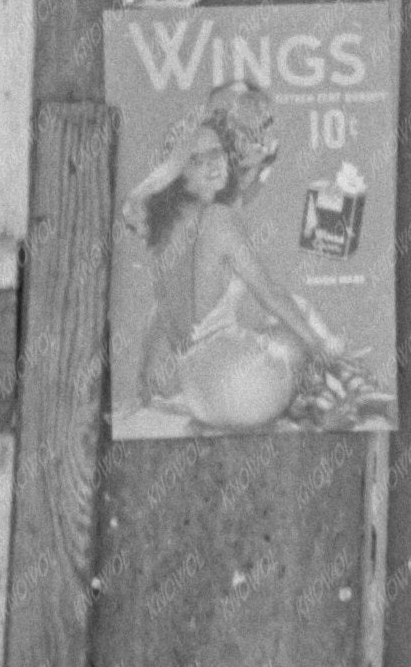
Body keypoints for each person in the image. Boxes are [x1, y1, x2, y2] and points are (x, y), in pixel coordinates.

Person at [127, 85, 350, 429]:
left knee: (267, 329)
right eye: (196, 160)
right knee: (298, 317)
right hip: (245, 392)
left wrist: (149, 378)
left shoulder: (162, 235)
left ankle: (304, 391)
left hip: (202, 397)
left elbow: (162, 316)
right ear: (178, 174)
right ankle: (318, 395)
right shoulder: (218, 219)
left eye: (216, 152)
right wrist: (324, 349)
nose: (213, 163)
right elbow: (271, 295)